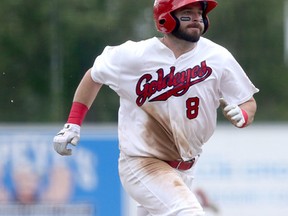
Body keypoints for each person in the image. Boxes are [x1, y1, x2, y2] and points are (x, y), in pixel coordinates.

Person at [53, 0, 259, 215]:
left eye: (200, 13)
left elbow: (247, 101)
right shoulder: (135, 55)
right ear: (165, 19)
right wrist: (73, 124)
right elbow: (94, 75)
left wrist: (243, 115)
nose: (197, 19)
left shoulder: (218, 57)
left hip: (186, 167)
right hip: (142, 161)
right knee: (189, 212)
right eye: (187, 13)